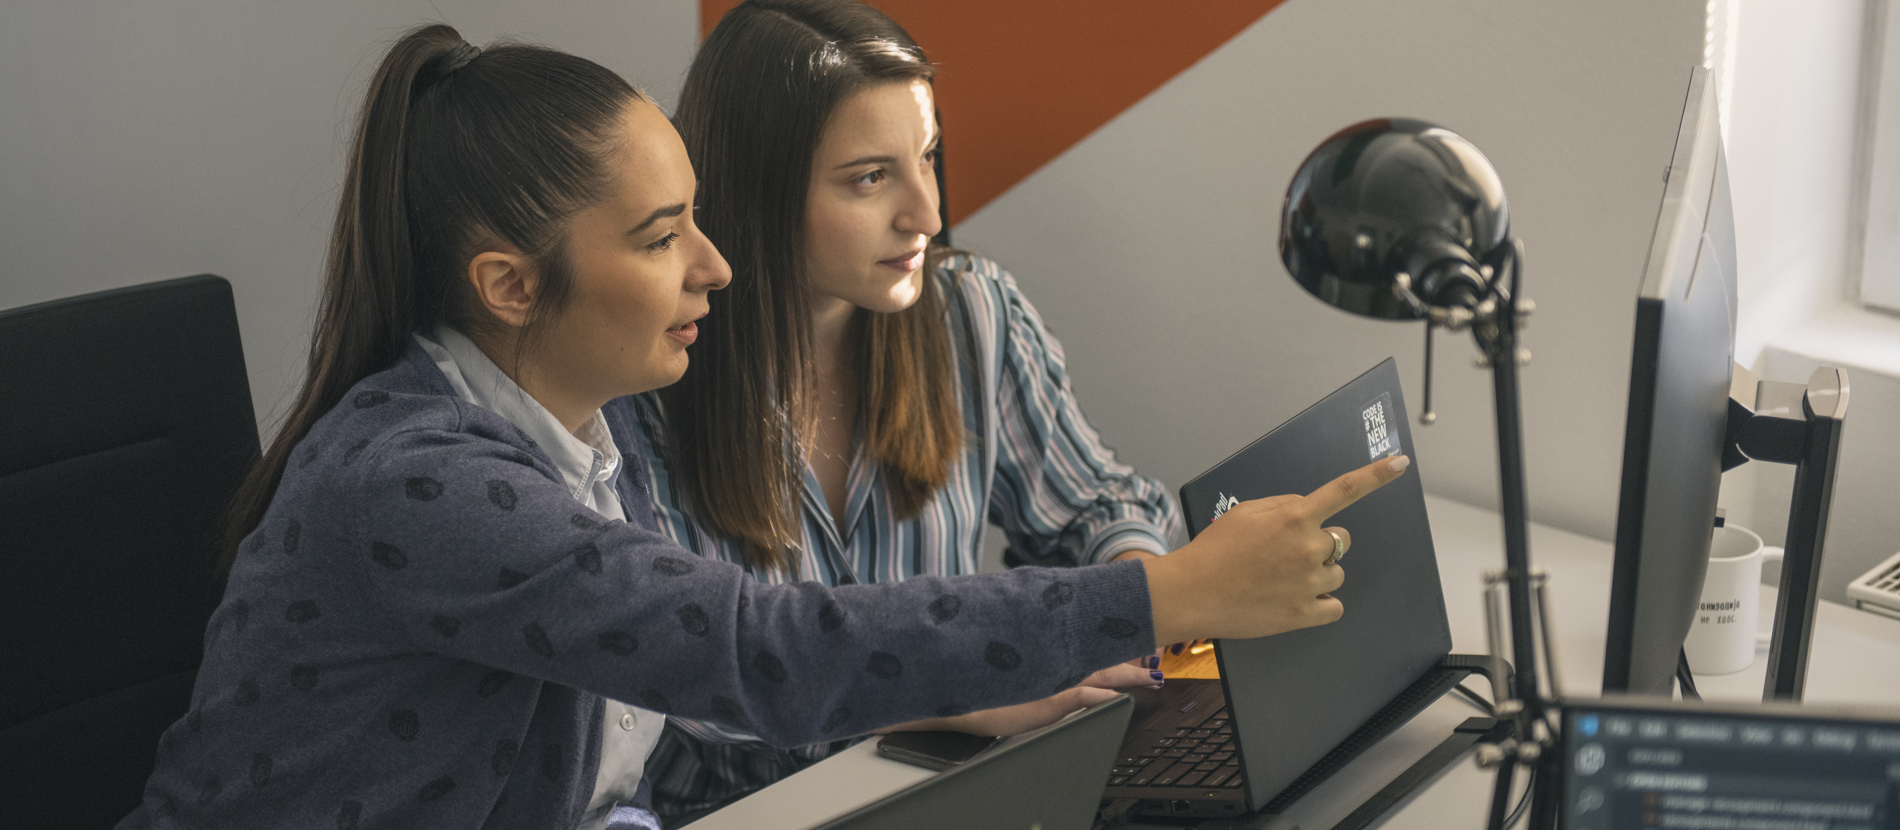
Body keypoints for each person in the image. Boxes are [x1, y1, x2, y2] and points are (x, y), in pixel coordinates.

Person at [116, 21, 1402, 830]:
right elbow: (764, 651)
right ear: (509, 287)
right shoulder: (422, 482)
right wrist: (1160, 598)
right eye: (663, 235)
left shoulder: (572, 424)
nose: (714, 269)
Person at [626, 0, 1210, 818]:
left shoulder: (973, 310)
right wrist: (943, 692)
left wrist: (1136, 593)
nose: (927, 215)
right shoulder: (646, 378)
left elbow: (1096, 504)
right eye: (870, 177)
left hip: (959, 786)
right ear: (756, 190)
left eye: (928, 156)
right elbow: (691, 674)